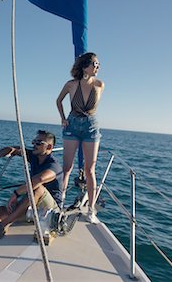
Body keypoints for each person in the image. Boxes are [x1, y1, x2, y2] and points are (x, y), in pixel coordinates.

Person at [0, 130, 63, 240]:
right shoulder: (34, 157)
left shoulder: (54, 166)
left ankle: (3, 225)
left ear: (49, 147)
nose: (34, 145)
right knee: (2, 211)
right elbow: (13, 149)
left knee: (37, 188)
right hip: (33, 205)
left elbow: (38, 180)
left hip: (50, 209)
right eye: (34, 142)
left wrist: (15, 194)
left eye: (39, 143)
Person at [55, 52, 105, 224]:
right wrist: (62, 118)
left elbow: (93, 107)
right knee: (67, 168)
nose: (97, 66)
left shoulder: (100, 84)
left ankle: (91, 210)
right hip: (72, 125)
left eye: (98, 64)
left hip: (91, 126)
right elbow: (58, 101)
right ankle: (59, 204)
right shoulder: (70, 84)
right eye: (94, 63)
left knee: (90, 169)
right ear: (84, 66)